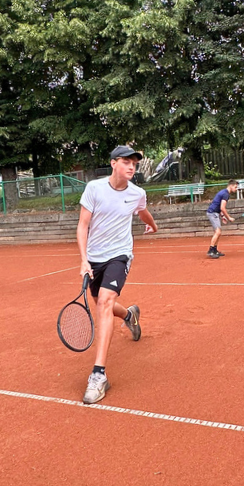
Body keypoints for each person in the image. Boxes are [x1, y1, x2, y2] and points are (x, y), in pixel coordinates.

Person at [76, 145, 158, 404]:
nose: (132, 166)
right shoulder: (94, 189)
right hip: (95, 257)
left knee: (104, 302)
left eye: (134, 163)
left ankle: (98, 375)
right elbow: (83, 224)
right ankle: (129, 315)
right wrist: (84, 260)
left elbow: (141, 210)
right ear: (113, 163)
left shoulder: (137, 193)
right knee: (102, 302)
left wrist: (152, 224)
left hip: (119, 255)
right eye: (126, 162)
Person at [205, 180, 239, 258]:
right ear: (231, 186)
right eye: (235, 187)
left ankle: (215, 250)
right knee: (218, 232)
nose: (236, 189)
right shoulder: (225, 194)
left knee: (218, 232)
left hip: (215, 213)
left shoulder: (224, 192)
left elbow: (218, 205)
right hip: (212, 213)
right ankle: (211, 250)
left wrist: (223, 216)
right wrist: (229, 217)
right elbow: (222, 208)